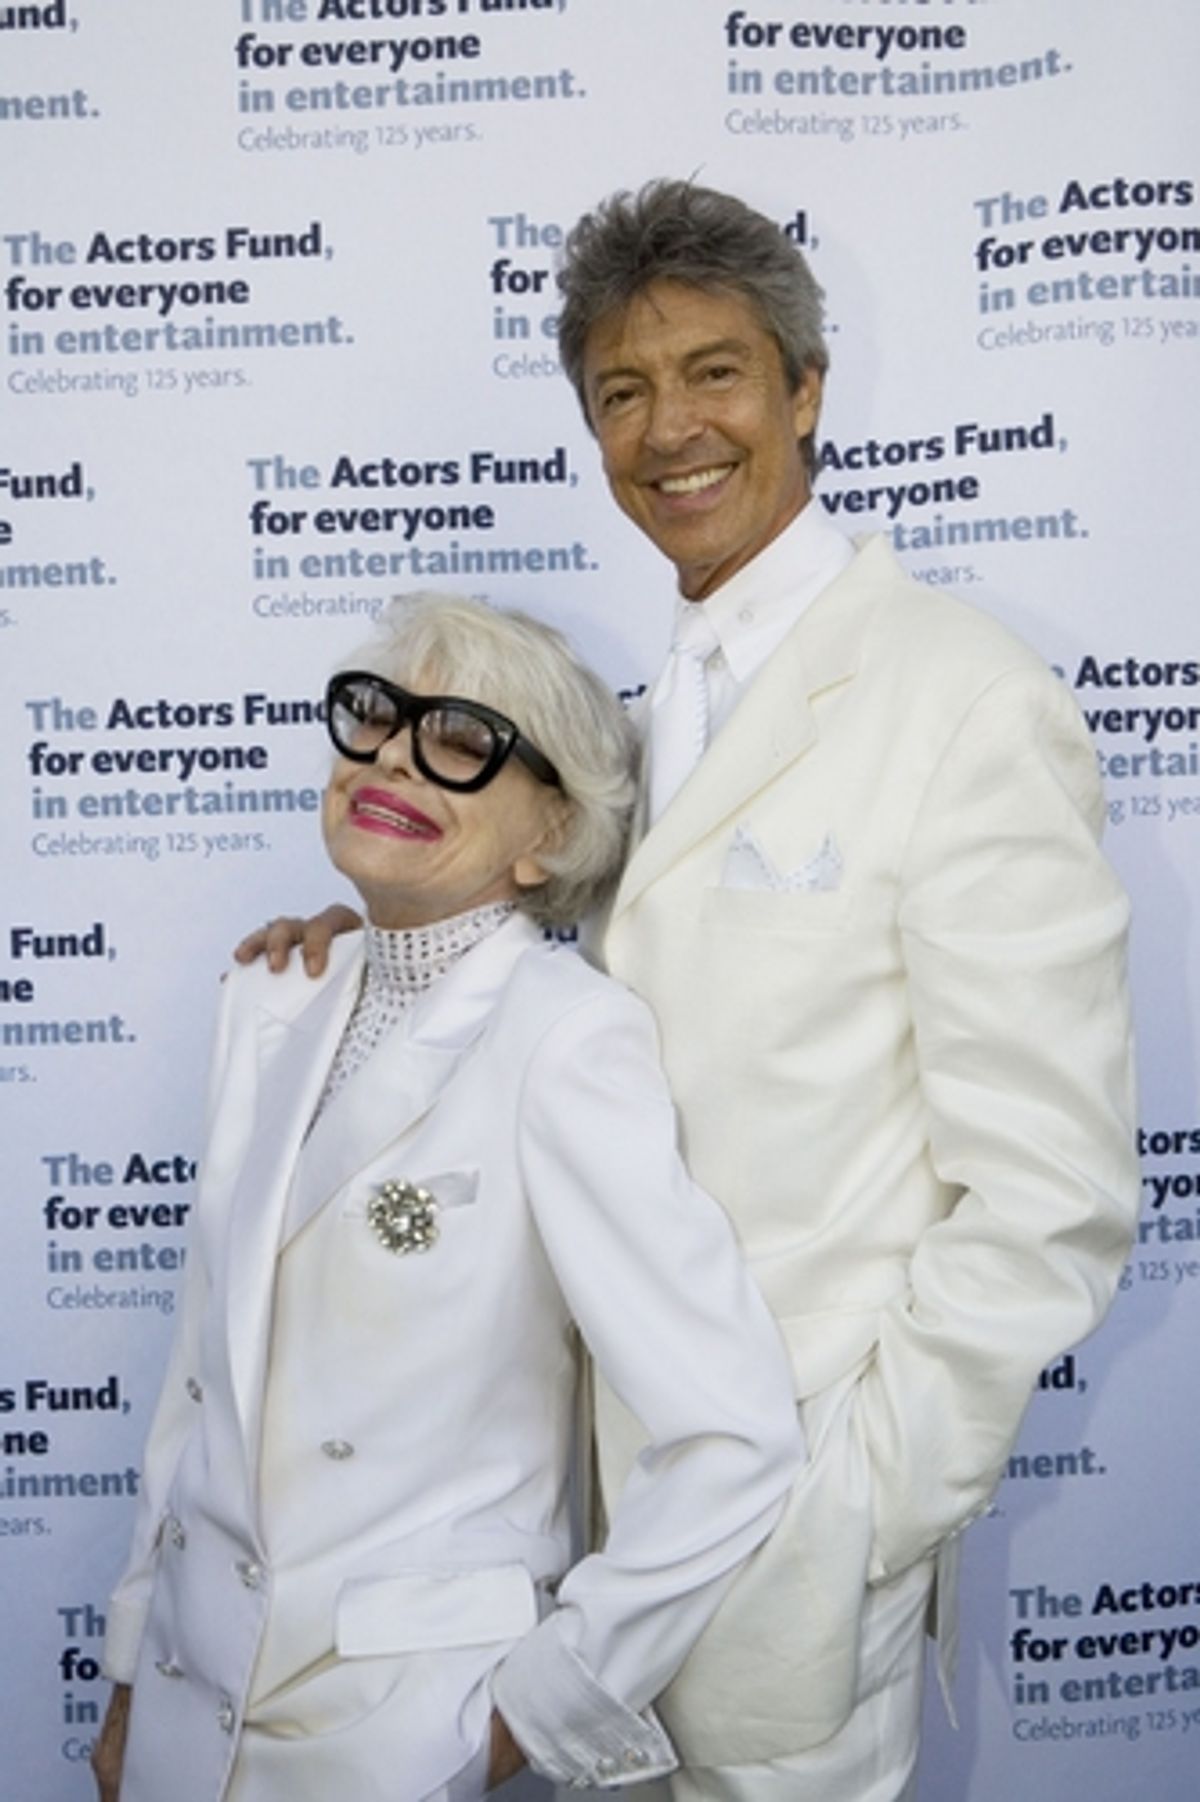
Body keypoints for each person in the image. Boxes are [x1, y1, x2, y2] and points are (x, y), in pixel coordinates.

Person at [240, 181, 1139, 1801]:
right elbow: (546, 942)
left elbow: (1051, 1200)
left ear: (805, 389)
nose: (671, 430)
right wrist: (374, 929)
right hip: (592, 1550)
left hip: (785, 1558)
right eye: (622, 392)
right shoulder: (663, 708)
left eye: (715, 373)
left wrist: (853, 1515)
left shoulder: (962, 700)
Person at [92, 591, 805, 1802]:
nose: (390, 756)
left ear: (551, 833)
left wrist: (534, 1714)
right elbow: (197, 1387)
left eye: (464, 739)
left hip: (394, 1729)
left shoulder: (565, 1039)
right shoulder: (272, 996)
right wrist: (124, 1675)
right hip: (183, 1706)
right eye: (376, 714)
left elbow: (734, 1433)